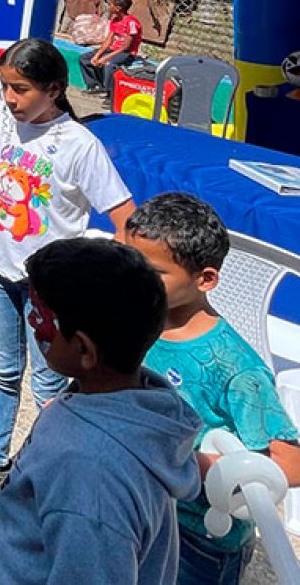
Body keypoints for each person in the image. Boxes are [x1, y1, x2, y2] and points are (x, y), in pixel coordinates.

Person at [0, 38, 136, 508]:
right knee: (3, 369)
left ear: (54, 89)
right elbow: (7, 175)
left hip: (48, 287)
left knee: (50, 382)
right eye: (5, 87)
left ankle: (47, 471)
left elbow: (125, 214)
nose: (9, 99)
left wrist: (107, 277)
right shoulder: (13, 126)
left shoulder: (79, 146)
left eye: (21, 89)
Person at [0, 238, 202, 584]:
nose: (33, 323)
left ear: (84, 349)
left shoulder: (88, 478)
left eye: (40, 315)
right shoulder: (138, 404)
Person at [125, 192, 300, 584]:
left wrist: (204, 468)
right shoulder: (139, 319)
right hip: (148, 510)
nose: (131, 277)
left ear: (205, 278)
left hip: (202, 540)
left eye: (150, 271)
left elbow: (291, 462)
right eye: (127, 260)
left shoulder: (235, 368)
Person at [79, 0, 142, 101]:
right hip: (113, 50)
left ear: (118, 8)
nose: (109, 6)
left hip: (126, 53)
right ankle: (95, 85)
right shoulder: (115, 20)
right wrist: (97, 55)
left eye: (111, 4)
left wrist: (105, 58)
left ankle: (111, 95)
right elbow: (108, 40)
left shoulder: (131, 23)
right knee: (84, 59)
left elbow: (125, 47)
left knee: (109, 64)